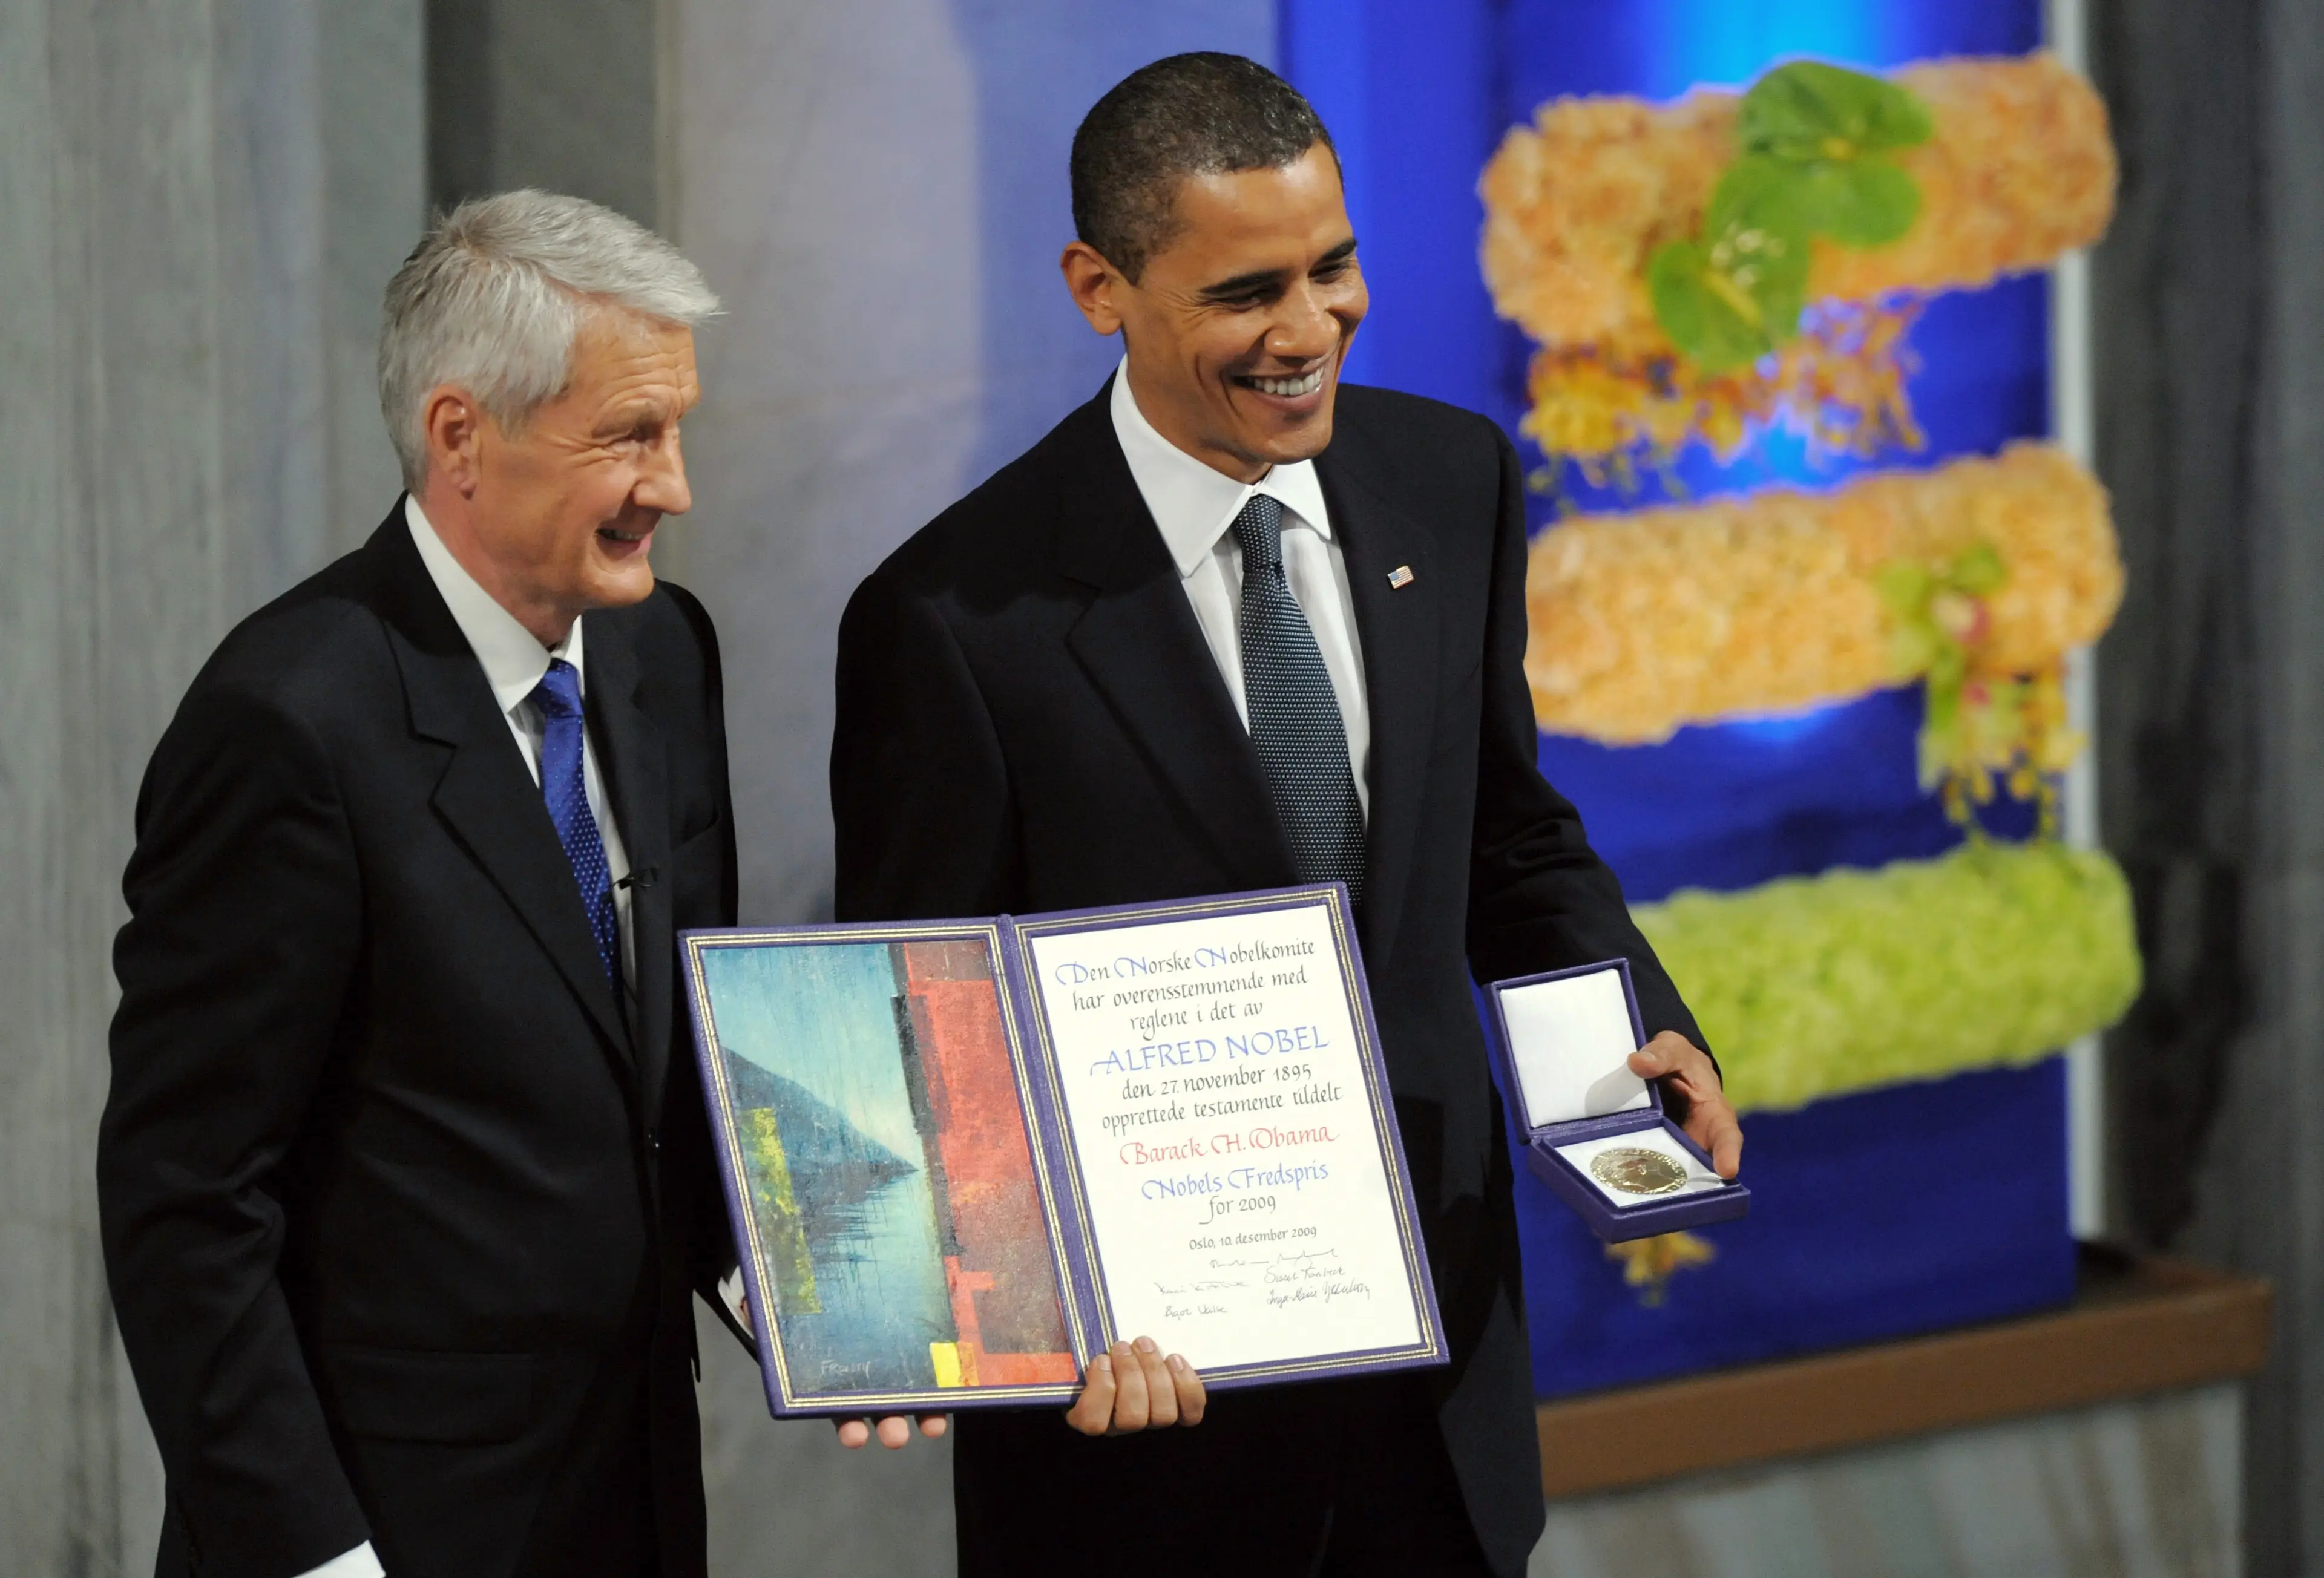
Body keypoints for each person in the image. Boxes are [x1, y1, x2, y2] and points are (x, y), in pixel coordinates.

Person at [829, 53, 1744, 1577]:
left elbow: (1507, 838)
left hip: (1438, 1398)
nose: (1310, 329)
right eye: (1249, 290)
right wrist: (1046, 1310)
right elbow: (929, 1034)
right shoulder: (952, 616)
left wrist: (1632, 1042)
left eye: (1335, 266)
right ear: (1098, 286)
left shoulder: (1451, 480)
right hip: (1147, 1454)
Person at [99, 191, 743, 1578]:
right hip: (391, 1530)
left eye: (677, 428)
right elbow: (186, 1202)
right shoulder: (289, 723)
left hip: (631, 1507)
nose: (675, 485)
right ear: (463, 434)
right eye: (631, 436)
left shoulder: (661, 655)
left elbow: (681, 1073)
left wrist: (839, 1300)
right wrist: (319, 1558)